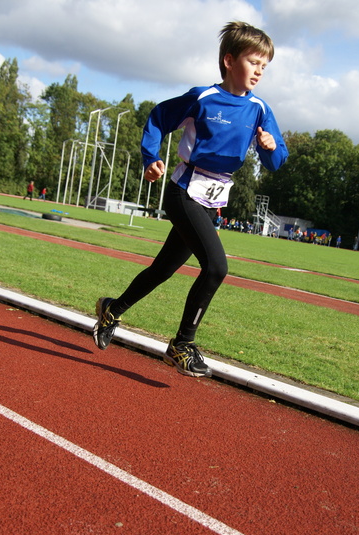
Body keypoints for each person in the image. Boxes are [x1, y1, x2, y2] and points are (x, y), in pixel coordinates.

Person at [93, 21, 288, 377]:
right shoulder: (203, 98)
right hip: (184, 192)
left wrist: (271, 147)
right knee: (216, 267)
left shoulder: (260, 109)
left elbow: (276, 162)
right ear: (229, 60)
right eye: (253, 61)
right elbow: (157, 118)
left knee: (163, 269)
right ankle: (182, 344)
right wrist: (150, 158)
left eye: (265, 65)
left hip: (211, 198)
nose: (260, 70)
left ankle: (111, 309)